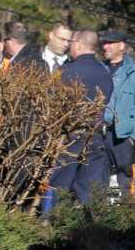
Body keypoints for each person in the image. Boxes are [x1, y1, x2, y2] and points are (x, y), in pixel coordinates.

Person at [45, 29, 114, 213]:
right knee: (89, 190)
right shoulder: (105, 73)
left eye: (72, 42)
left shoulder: (67, 71)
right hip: (95, 136)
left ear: (80, 44)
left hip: (70, 137)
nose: (69, 45)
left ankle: (51, 224)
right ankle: (86, 231)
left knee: (59, 186)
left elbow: (51, 101)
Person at [100, 28, 135, 196]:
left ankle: (128, 219)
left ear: (122, 46)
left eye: (110, 43)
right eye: (104, 43)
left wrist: (134, 138)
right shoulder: (100, 69)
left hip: (123, 137)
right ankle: (94, 220)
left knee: (127, 183)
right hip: (100, 134)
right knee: (96, 181)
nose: (105, 46)